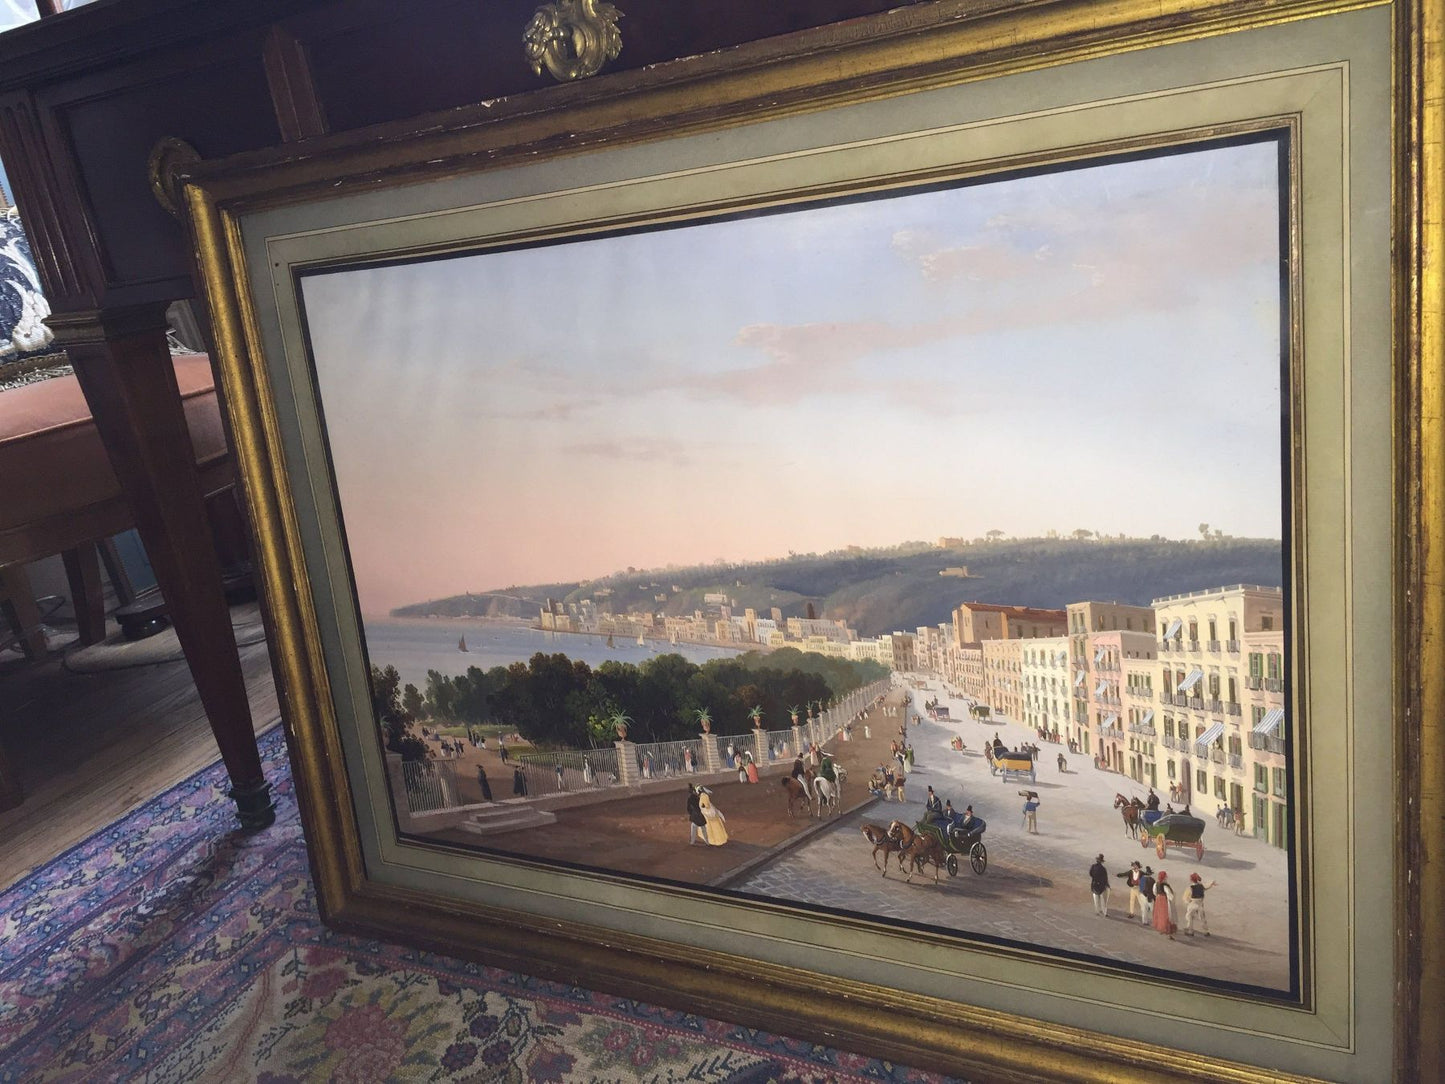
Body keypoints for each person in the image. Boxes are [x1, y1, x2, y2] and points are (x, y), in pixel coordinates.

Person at [1152, 870, 1176, 938]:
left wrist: (1157, 896)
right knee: (1166, 914)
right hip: (1164, 900)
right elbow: (1169, 894)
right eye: (1165, 877)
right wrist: (1172, 899)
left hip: (1158, 900)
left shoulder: (1156, 884)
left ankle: (1161, 928)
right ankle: (1167, 930)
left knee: (1160, 914)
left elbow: (1154, 892)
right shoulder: (1165, 886)